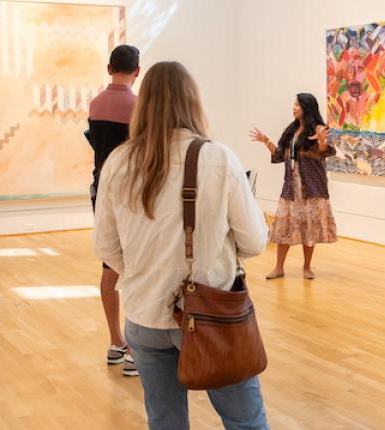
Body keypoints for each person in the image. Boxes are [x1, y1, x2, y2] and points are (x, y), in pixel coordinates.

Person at [93, 61, 269, 429]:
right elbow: (254, 242)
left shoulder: (117, 163)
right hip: (212, 313)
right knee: (246, 422)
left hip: (144, 316)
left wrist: (147, 272)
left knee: (165, 422)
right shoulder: (217, 157)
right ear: (193, 101)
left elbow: (107, 249)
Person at [85, 44, 140, 376]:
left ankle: (115, 341)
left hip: (101, 191)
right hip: (130, 194)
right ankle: (135, 349)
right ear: (137, 70)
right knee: (134, 268)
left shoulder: (95, 103)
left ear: (109, 68)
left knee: (110, 265)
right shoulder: (137, 106)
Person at [248, 93, 338, 280]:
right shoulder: (291, 131)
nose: (293, 107)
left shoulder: (319, 129)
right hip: (291, 186)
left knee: (309, 228)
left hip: (311, 187)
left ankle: (307, 267)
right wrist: (266, 141)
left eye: (297, 104)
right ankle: (279, 267)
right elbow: (280, 155)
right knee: (283, 227)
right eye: (294, 104)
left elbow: (323, 151)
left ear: (306, 107)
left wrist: (320, 140)